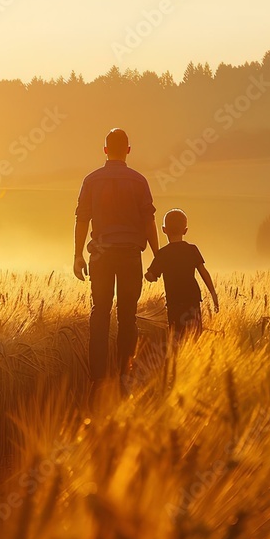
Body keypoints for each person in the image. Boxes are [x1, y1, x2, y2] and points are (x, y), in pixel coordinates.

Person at [73, 128, 159, 392]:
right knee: (128, 317)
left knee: (100, 312)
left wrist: (77, 255)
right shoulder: (139, 181)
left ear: (105, 150)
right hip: (130, 256)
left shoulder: (91, 180)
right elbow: (149, 220)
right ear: (129, 150)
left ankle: (97, 378)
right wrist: (158, 256)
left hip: (101, 255)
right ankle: (125, 373)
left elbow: (82, 218)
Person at [145, 209, 219, 342]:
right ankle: (195, 360)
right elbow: (204, 273)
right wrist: (213, 294)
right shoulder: (192, 249)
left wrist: (148, 275)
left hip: (174, 303)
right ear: (185, 230)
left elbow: (152, 276)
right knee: (195, 337)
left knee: (176, 339)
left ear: (164, 230)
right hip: (192, 301)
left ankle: (179, 361)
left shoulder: (162, 254)